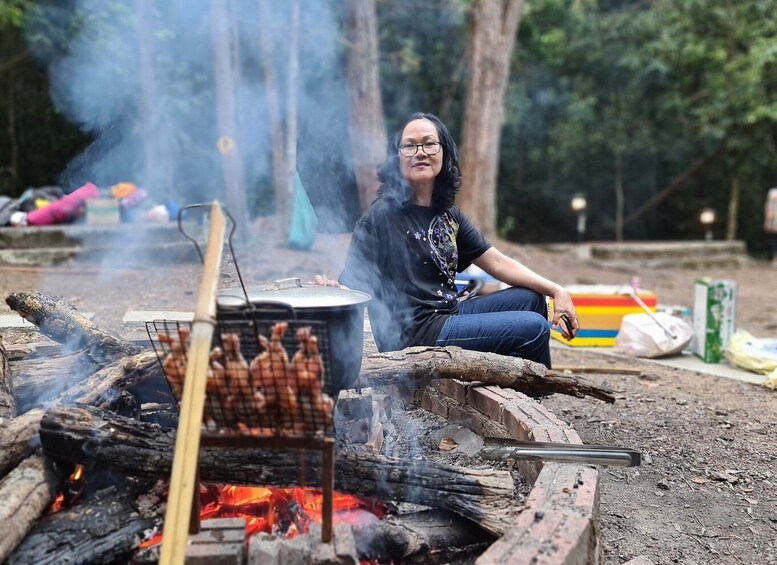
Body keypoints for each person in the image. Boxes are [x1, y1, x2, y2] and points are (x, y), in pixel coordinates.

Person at [316, 112, 579, 369]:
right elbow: (352, 285)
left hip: (448, 314)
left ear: (444, 152)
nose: (420, 152)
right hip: (413, 334)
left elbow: (497, 262)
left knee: (531, 299)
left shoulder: (447, 213)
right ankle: (530, 396)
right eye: (409, 146)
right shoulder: (380, 217)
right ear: (396, 158)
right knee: (532, 328)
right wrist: (331, 291)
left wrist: (557, 291)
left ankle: (505, 379)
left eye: (429, 143)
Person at [765, 187, 777, 266]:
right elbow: (768, 212)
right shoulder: (772, 193)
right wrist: (767, 222)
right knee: (774, 241)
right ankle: (774, 259)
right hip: (774, 224)